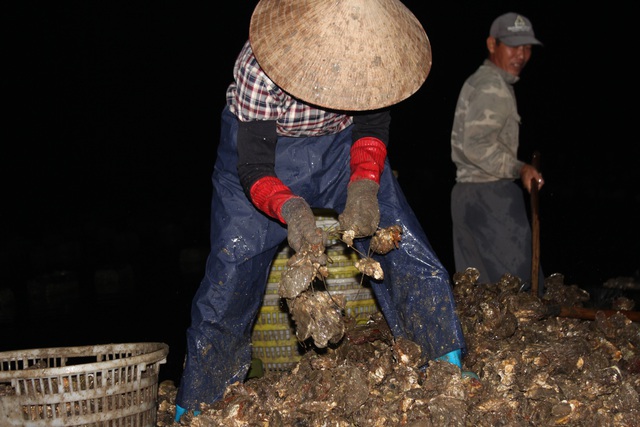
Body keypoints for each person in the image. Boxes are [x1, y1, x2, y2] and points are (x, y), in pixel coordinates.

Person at [175, 0, 467, 421]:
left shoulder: (373, 54)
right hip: (262, 159)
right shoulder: (258, 68)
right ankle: (197, 404)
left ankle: (446, 360)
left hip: (338, 147)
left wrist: (365, 183)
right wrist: (290, 208)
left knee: (403, 241)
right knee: (231, 273)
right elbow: (253, 167)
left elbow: (371, 124)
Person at [450, 12, 545, 291]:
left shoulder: (480, 80)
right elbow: (477, 145)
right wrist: (520, 168)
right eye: (513, 46)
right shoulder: (493, 86)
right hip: (491, 199)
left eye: (527, 48)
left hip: (466, 195)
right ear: (492, 44)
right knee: (521, 293)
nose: (522, 55)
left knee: (480, 296)